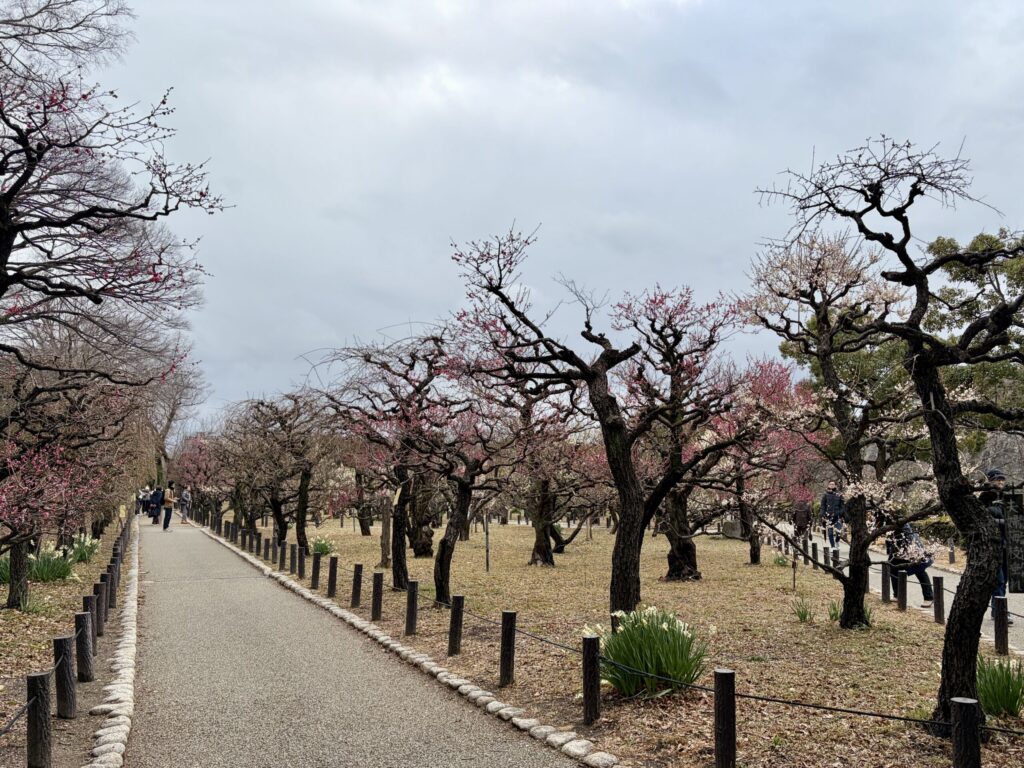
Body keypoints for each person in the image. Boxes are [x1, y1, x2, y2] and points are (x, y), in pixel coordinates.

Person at [980, 468, 1014, 626]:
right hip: (993, 545)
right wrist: (1005, 524)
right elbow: (984, 519)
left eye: (1002, 479)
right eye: (997, 479)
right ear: (990, 480)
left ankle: (997, 610)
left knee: (1004, 579)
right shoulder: (984, 496)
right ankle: (1001, 612)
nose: (1001, 482)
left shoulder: (1007, 497)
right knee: (998, 580)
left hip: (1007, 546)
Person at [886, 522, 935, 609]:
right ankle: (897, 595)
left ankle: (929, 597)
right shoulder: (885, 518)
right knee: (893, 569)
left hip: (912, 549)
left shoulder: (902, 522)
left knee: (919, 570)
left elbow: (908, 537)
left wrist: (906, 550)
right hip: (896, 550)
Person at [820, 481, 845, 549]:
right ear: (828, 485)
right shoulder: (825, 495)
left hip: (838, 516)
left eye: (833, 484)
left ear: (835, 485)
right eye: (830, 484)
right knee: (830, 532)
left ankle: (837, 541)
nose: (831, 485)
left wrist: (840, 512)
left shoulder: (839, 494)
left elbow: (843, 506)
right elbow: (823, 506)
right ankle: (832, 546)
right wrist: (822, 514)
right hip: (829, 516)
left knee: (838, 532)